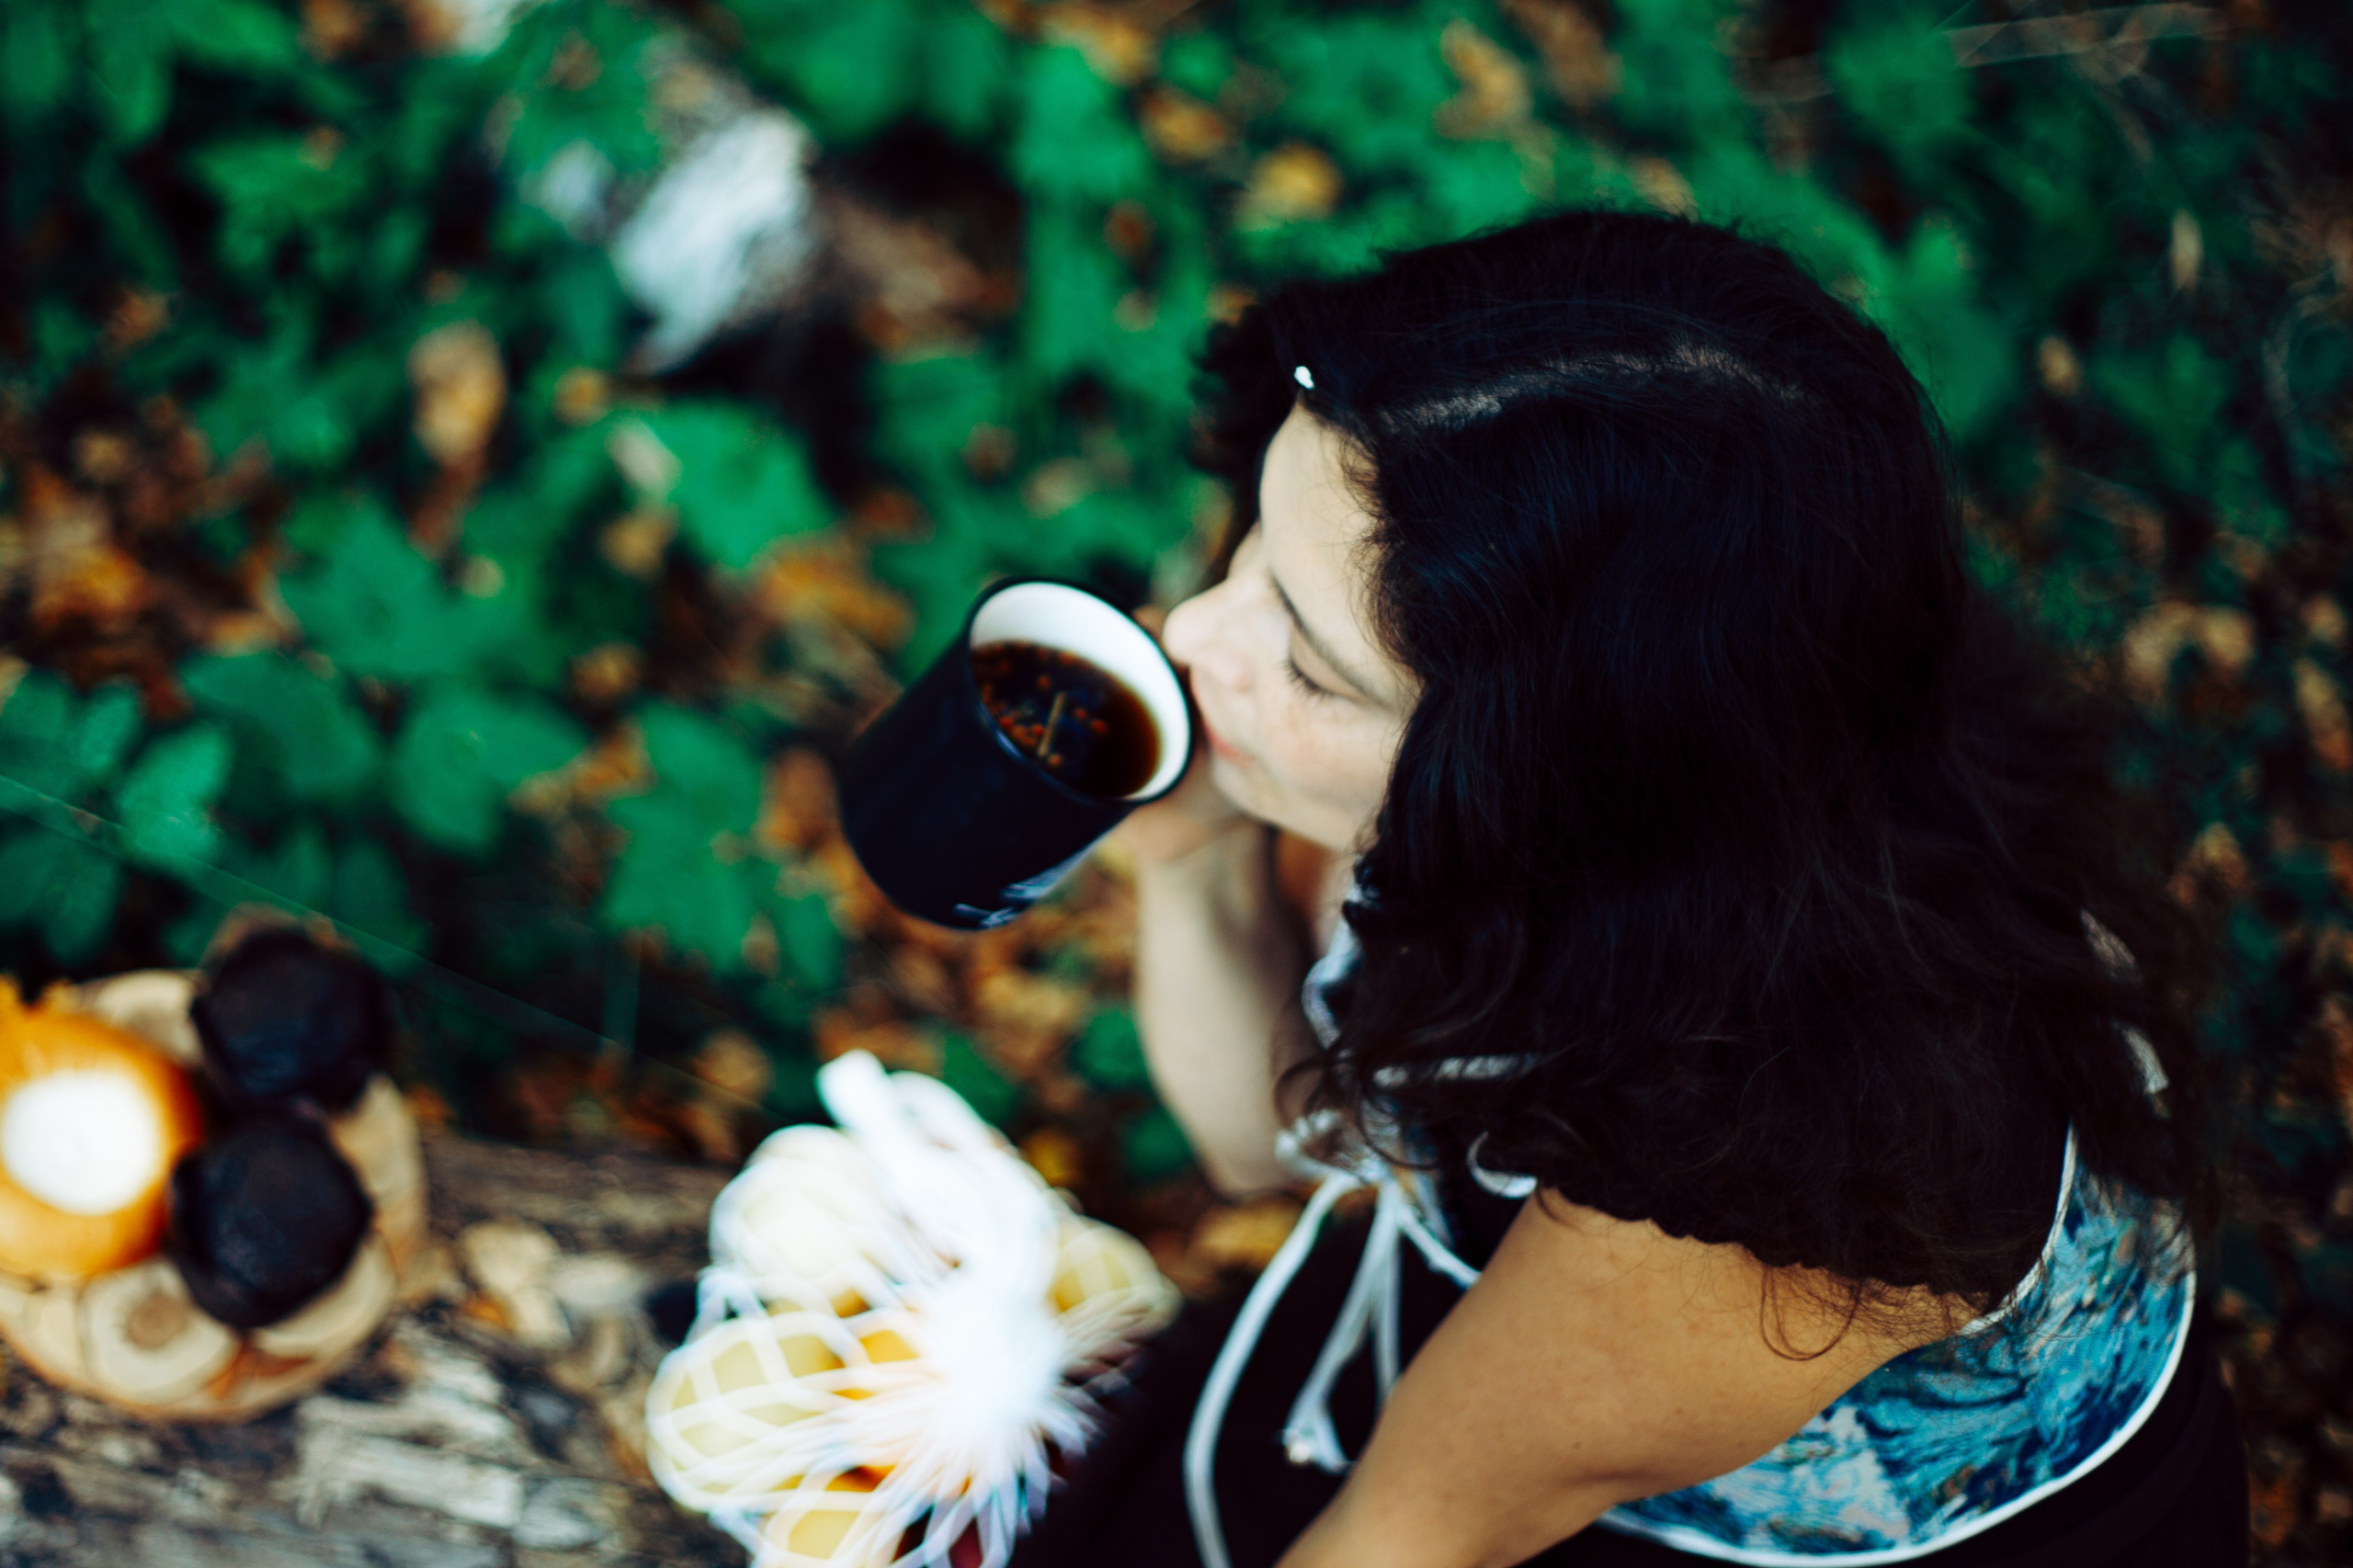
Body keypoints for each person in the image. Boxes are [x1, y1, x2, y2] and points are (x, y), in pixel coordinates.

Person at [1008, 210, 2247, 1568]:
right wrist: (1190, 858)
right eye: (1256, 539)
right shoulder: (1718, 734)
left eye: (1310, 665)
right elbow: (1270, 1142)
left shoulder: (1759, 1196)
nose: (1192, 632)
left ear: (1542, 790)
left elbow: (1407, 1537)